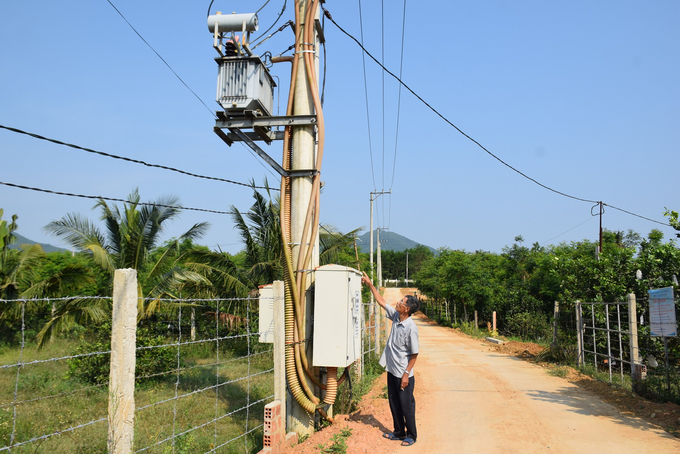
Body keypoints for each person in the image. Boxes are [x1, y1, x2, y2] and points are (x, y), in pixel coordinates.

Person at [361, 271, 420, 447]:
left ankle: (411, 435)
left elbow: (414, 354)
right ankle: (399, 431)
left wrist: (406, 374)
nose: (398, 302)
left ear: (407, 309)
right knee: (393, 401)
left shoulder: (411, 328)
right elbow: (381, 302)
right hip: (392, 369)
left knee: (406, 404)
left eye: (401, 302)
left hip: (404, 373)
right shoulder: (395, 316)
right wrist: (370, 284)